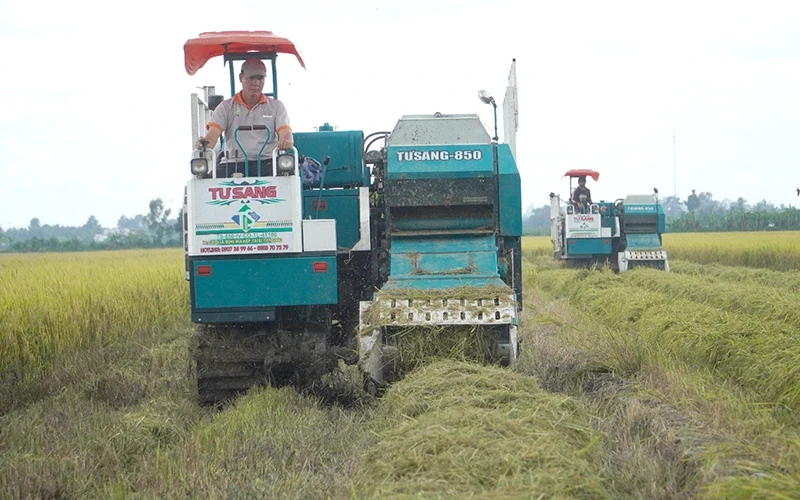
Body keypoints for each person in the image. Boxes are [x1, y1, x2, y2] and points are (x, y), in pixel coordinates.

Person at [195, 58, 293, 177]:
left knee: (288, 175)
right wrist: (203, 143)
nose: (256, 82)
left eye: (260, 78)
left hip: (267, 162)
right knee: (207, 183)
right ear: (241, 78)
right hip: (233, 162)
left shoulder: (277, 106)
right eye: (251, 78)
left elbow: (285, 133)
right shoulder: (225, 107)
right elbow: (212, 136)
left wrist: (285, 141)